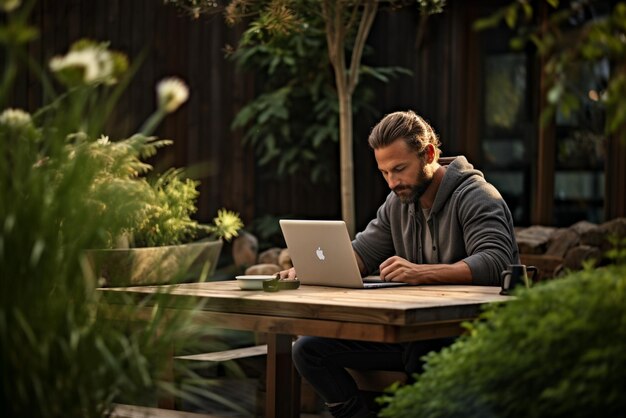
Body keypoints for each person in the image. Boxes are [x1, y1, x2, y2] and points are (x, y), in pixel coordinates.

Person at [280, 110, 519, 418]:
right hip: (412, 335)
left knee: (424, 351)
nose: (392, 182)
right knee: (308, 350)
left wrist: (421, 273)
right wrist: (309, 270)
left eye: (399, 169)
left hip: (468, 336)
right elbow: (361, 254)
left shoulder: (478, 196)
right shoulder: (398, 203)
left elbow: (495, 263)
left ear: (429, 154)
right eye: (384, 173)